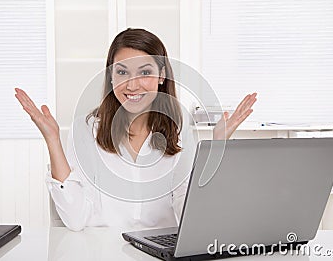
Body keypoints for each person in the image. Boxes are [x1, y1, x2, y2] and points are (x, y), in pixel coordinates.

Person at [15, 28, 257, 231]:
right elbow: (76, 220)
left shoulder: (179, 124)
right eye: (122, 72)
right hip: (103, 248)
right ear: (111, 76)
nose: (132, 85)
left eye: (145, 72)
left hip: (160, 248)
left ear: (161, 75)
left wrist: (215, 146)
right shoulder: (86, 128)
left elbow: (188, 212)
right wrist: (53, 140)